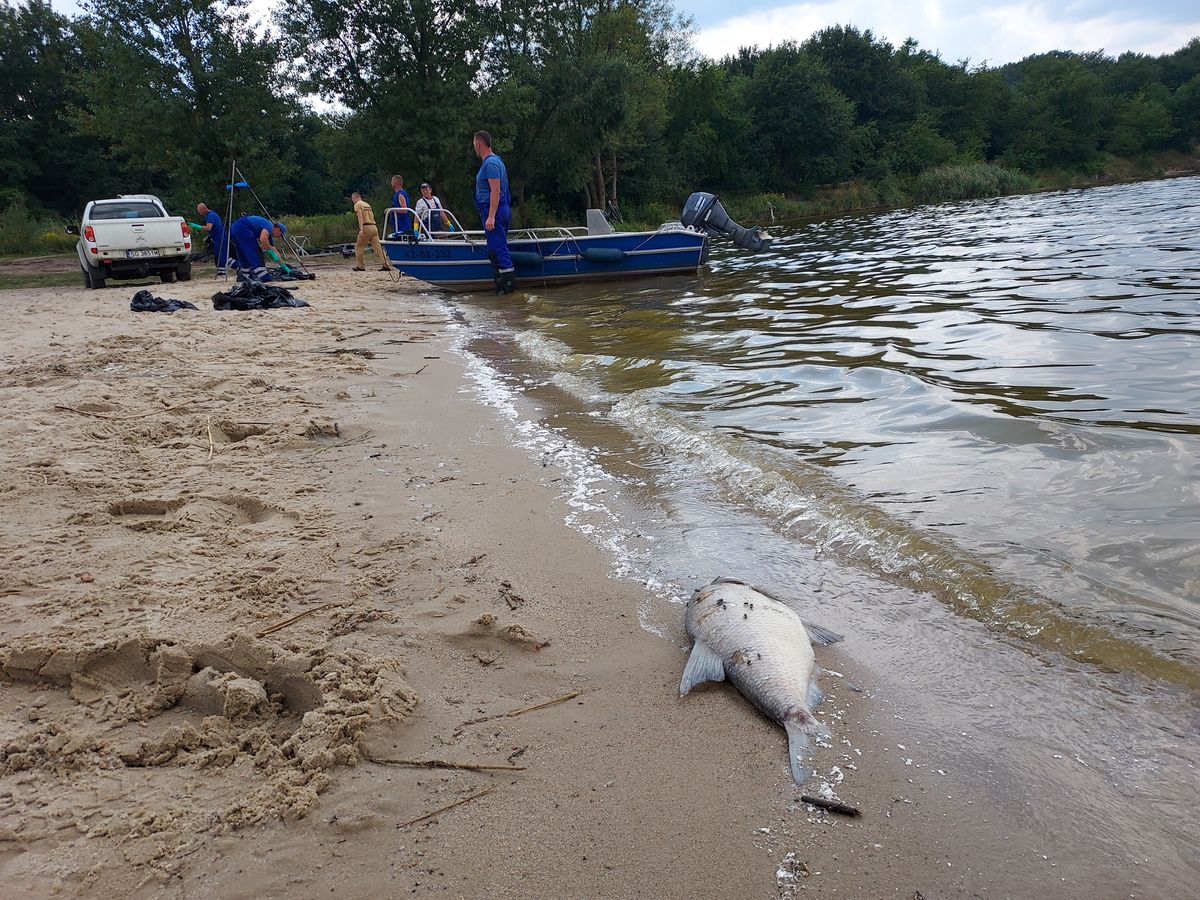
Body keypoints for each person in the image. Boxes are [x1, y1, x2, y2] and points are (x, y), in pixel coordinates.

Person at [473, 130, 514, 295]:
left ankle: (507, 292)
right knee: (494, 250)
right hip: (498, 209)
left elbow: (495, 190)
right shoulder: (495, 162)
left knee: (498, 250)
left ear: (478, 144)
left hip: (494, 211)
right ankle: (501, 291)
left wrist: (491, 216)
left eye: (474, 145)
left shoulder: (490, 163)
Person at [229, 214, 287, 282]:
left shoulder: (268, 233)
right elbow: (263, 239)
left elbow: (274, 250)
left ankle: (245, 276)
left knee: (243, 253)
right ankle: (263, 276)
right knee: (254, 251)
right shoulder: (269, 225)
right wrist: (269, 251)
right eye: (280, 235)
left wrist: (283, 266)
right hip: (243, 228)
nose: (279, 237)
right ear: (278, 229)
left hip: (234, 228)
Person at [351, 191, 390, 272]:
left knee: (359, 246)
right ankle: (386, 264)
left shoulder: (357, 205)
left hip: (366, 227)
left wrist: (361, 229)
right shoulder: (367, 205)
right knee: (378, 247)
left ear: (354, 198)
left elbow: (360, 216)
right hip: (373, 226)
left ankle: (360, 266)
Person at [196, 202, 228, 275]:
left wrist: (198, 226)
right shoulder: (207, 215)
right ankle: (220, 271)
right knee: (217, 254)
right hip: (216, 237)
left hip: (220, 237)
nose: (198, 212)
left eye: (199, 210)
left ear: (204, 209)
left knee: (221, 254)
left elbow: (209, 228)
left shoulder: (211, 216)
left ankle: (233, 267)